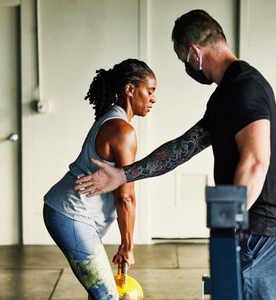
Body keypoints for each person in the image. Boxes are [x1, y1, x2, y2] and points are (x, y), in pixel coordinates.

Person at [74, 10, 276, 300]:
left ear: (196, 53)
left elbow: (256, 160)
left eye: (184, 61)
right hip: (252, 224)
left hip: (265, 225)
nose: (187, 67)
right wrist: (122, 174)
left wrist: (230, 224)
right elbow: (184, 147)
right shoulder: (225, 95)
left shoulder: (246, 87)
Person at [43, 58, 157, 300]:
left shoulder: (112, 120)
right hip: (72, 213)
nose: (153, 99)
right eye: (150, 91)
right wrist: (128, 246)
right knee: (108, 296)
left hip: (72, 212)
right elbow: (125, 197)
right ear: (129, 89)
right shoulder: (122, 131)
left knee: (101, 292)